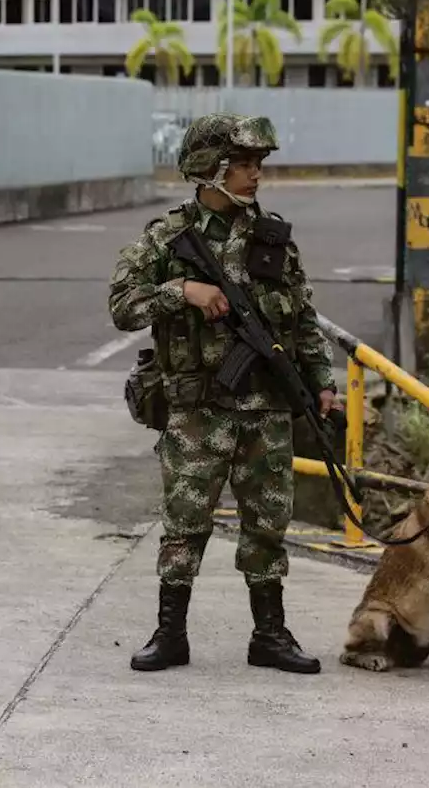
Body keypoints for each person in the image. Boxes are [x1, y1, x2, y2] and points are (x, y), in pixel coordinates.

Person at [107, 113, 338, 675]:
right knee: (185, 523)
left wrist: (323, 381)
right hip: (197, 411)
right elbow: (121, 306)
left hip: (266, 409)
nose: (255, 175)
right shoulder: (167, 239)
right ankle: (170, 634)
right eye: (243, 165)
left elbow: (303, 318)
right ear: (210, 169)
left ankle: (270, 636)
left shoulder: (274, 238)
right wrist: (181, 290)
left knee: (268, 525)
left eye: (258, 165)